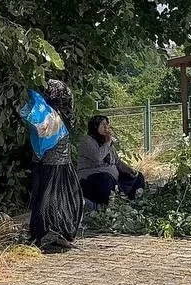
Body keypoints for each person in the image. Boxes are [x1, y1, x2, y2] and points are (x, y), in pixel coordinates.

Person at [27, 79, 84, 252]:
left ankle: (46, 235)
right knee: (60, 202)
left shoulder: (48, 113)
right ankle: (49, 235)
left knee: (48, 200)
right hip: (55, 166)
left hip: (52, 164)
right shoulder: (52, 115)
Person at [76, 115, 145, 206]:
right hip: (93, 179)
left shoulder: (106, 142)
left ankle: (131, 202)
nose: (106, 127)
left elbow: (117, 161)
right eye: (102, 125)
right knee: (105, 178)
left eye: (107, 125)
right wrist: (107, 142)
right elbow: (97, 157)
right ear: (95, 126)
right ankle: (109, 205)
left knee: (138, 176)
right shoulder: (87, 140)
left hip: (113, 180)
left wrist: (130, 170)